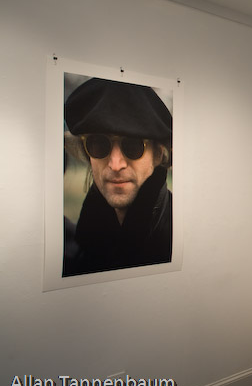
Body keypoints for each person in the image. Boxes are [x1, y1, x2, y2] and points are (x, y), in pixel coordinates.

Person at [62, 77, 172, 276]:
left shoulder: (177, 235)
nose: (115, 164)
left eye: (133, 146)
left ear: (158, 154)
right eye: (98, 145)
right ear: (88, 155)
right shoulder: (82, 240)